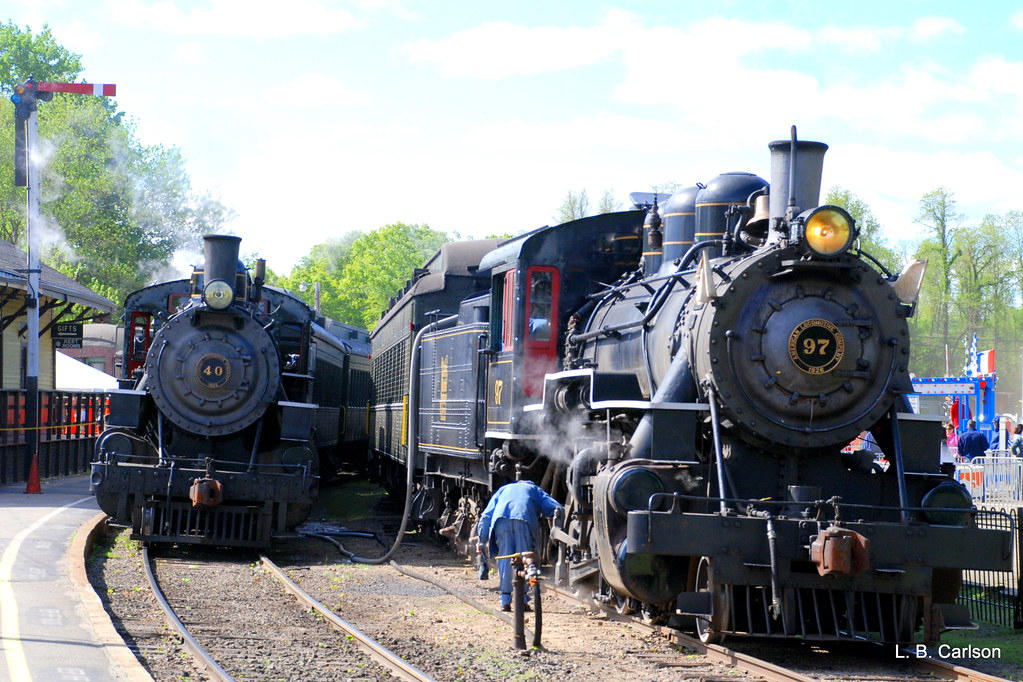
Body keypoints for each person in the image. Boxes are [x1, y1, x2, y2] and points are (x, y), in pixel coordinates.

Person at [476, 480, 563, 612]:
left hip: (501, 522)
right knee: (525, 559)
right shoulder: (533, 489)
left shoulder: (503, 488)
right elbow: (555, 508)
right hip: (523, 520)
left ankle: (505, 600)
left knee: (505, 559)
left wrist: (481, 540)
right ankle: (521, 600)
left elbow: (486, 516)